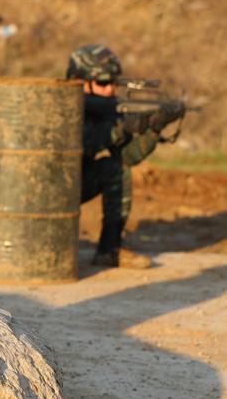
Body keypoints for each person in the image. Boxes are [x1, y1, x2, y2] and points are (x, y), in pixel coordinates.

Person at [66, 44, 184, 268]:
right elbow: (84, 142)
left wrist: (154, 128)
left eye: (114, 83)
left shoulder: (103, 112)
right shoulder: (57, 107)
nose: (110, 89)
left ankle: (109, 250)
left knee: (115, 168)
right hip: (41, 195)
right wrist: (123, 128)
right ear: (80, 81)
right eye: (102, 83)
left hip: (74, 185)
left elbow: (128, 158)